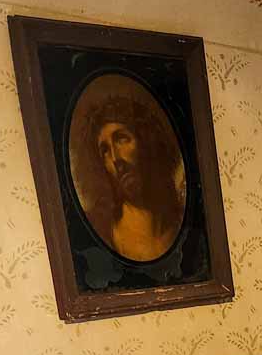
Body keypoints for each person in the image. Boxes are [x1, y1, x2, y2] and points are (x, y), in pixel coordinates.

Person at [77, 94, 186, 261]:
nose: (115, 158)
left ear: (146, 142)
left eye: (121, 139)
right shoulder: (100, 230)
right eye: (105, 150)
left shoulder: (181, 220)